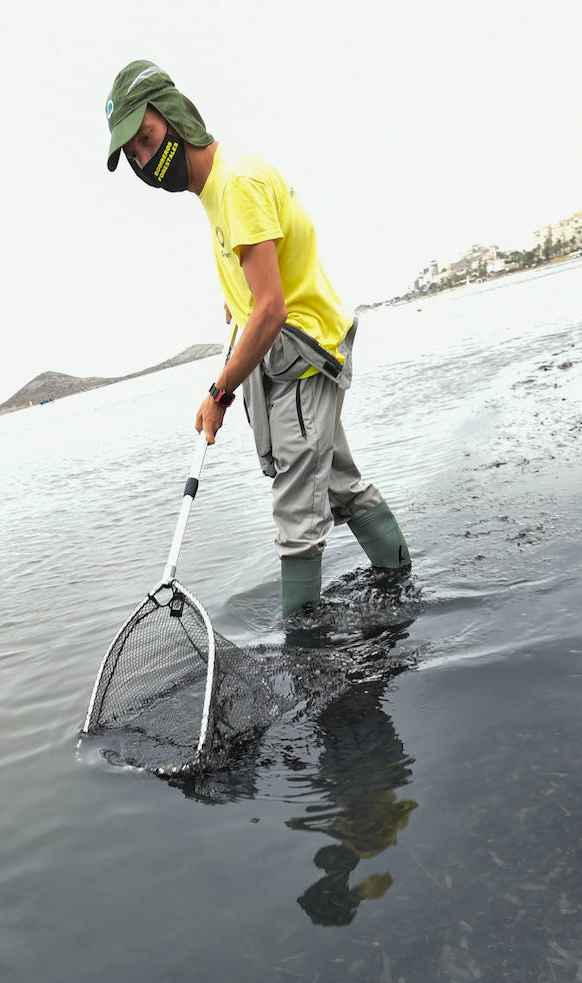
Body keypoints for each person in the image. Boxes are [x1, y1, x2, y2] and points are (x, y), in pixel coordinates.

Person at [106, 60, 410, 617]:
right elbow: (261, 287)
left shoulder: (237, 182)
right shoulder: (216, 190)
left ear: (176, 118)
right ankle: (401, 586)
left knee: (297, 515)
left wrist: (218, 393)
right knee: (338, 483)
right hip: (291, 354)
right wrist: (239, 295)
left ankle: (302, 660)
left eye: (147, 139)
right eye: (133, 156)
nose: (146, 162)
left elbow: (271, 311)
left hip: (301, 356)